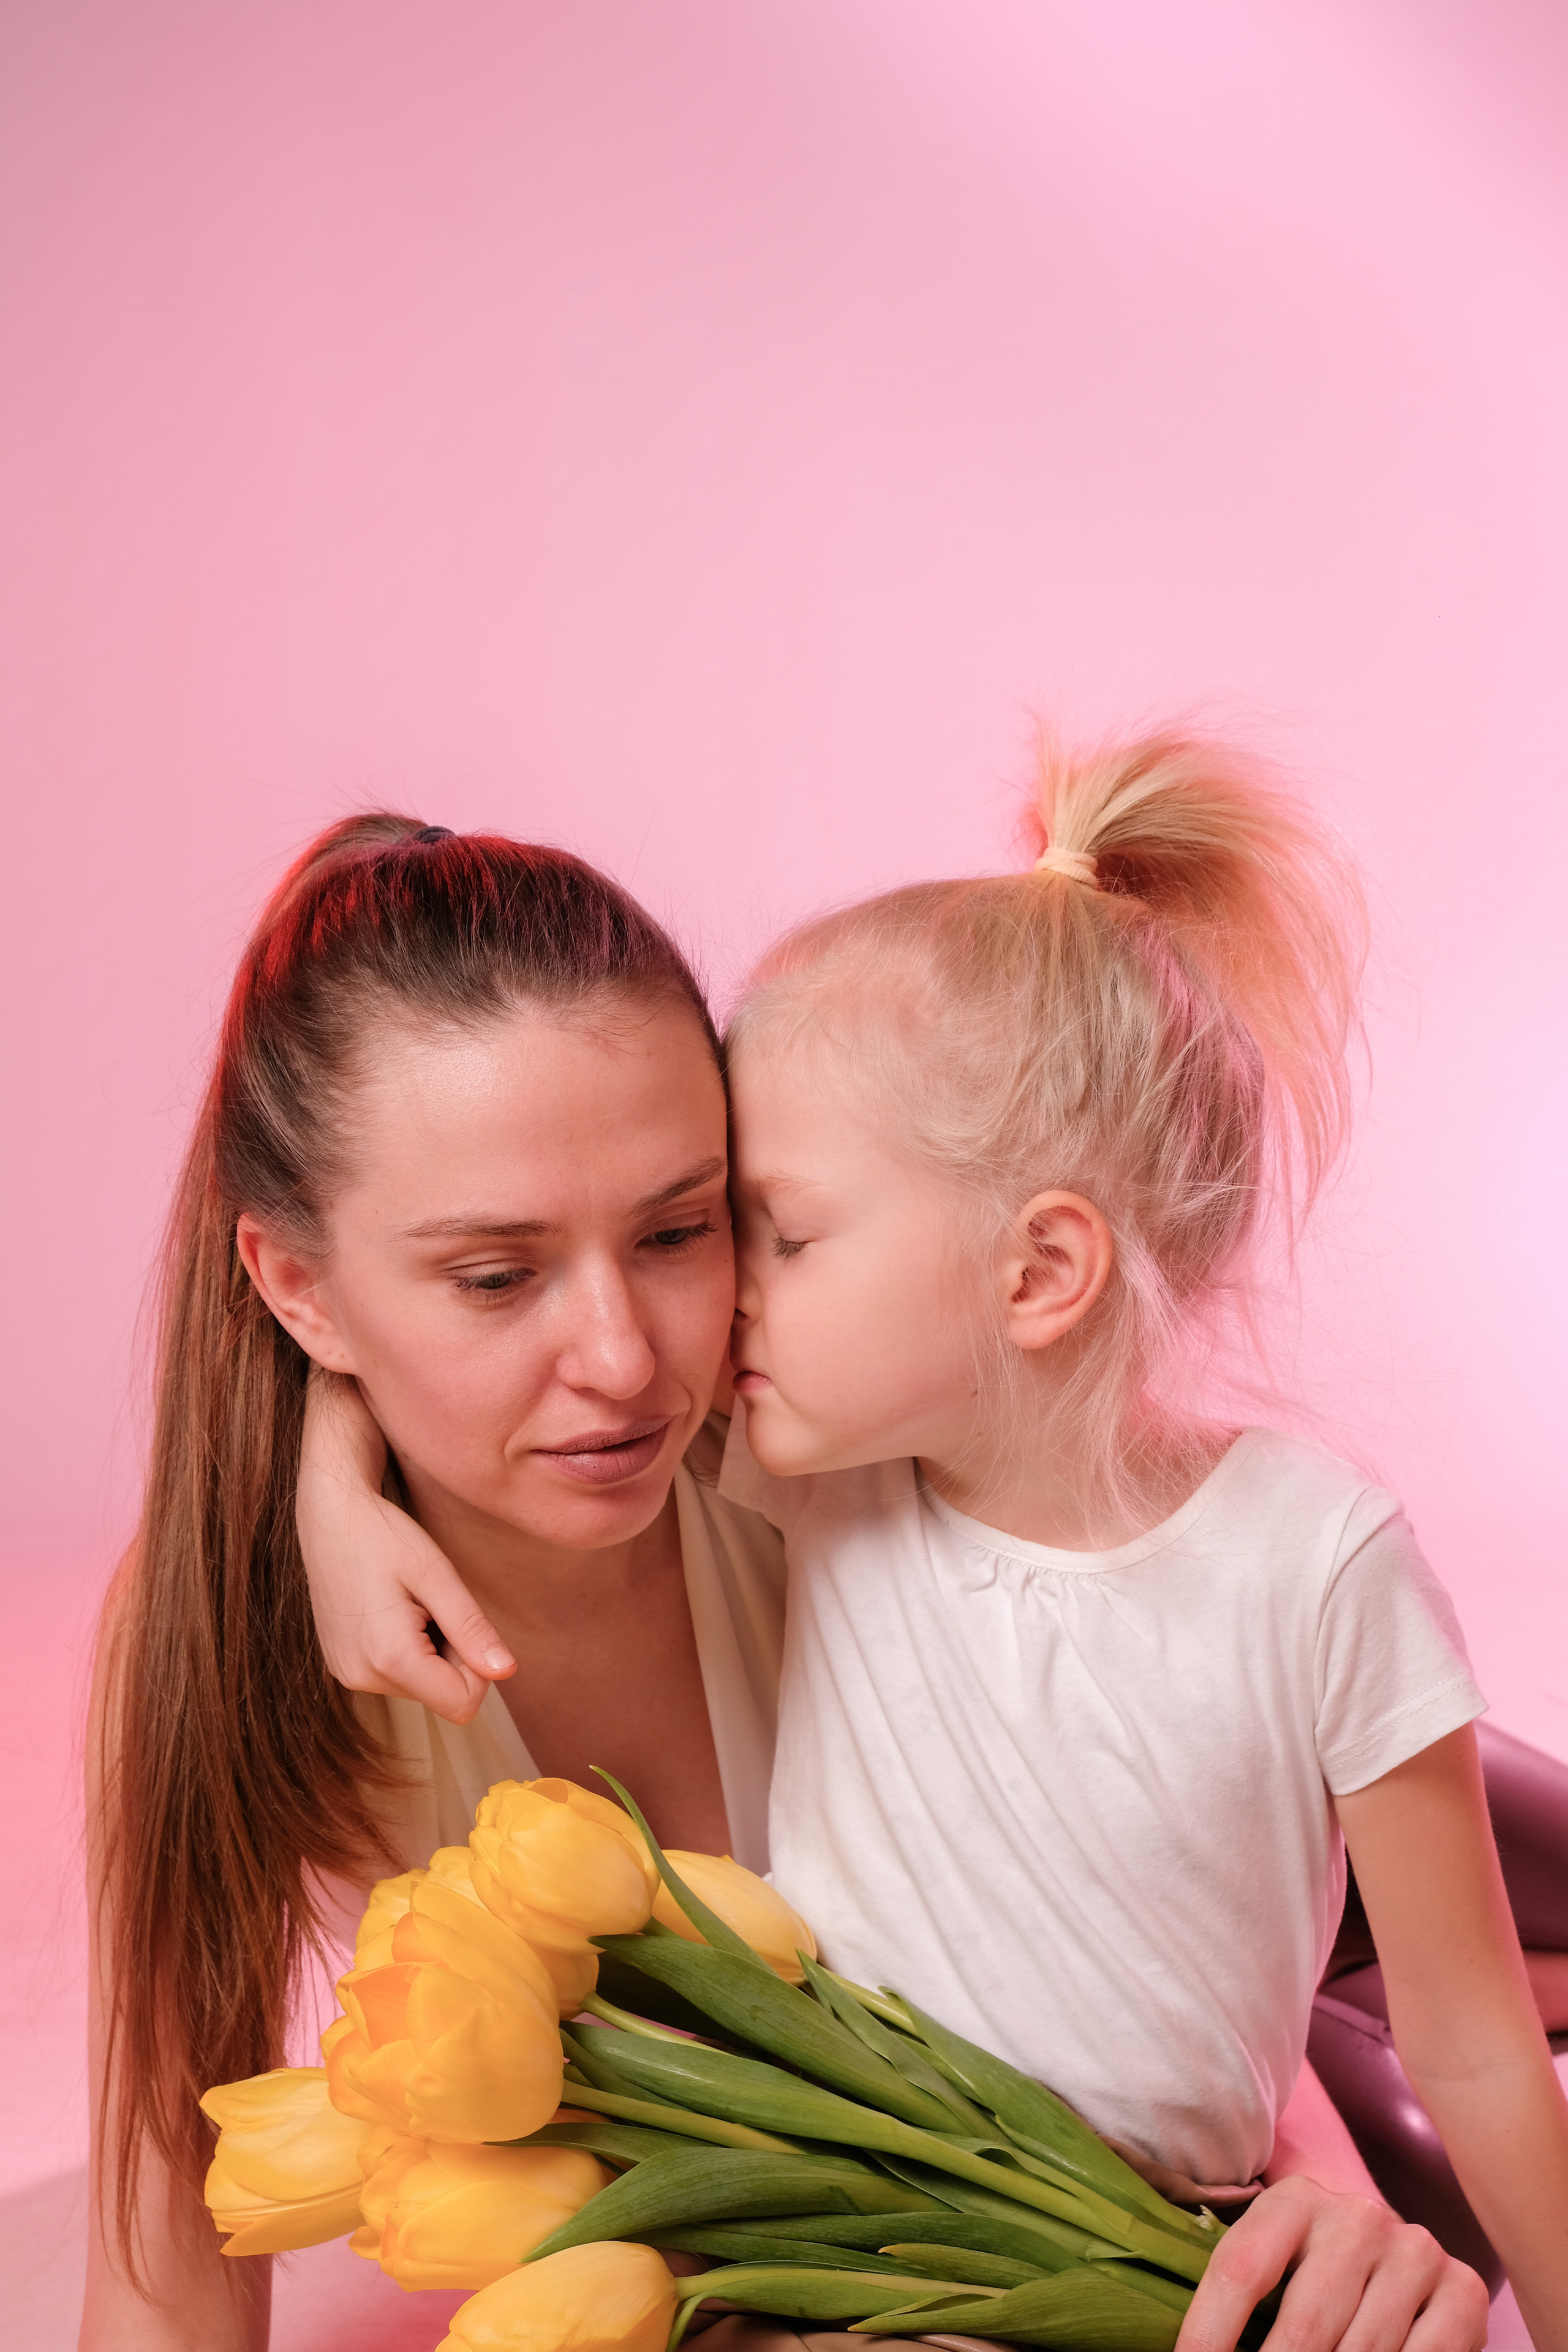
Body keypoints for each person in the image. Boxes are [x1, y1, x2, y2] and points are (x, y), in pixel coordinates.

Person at [293, 770, 1515, 2350]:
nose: (683, 1325)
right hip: (1105, 2095)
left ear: (1039, 1268)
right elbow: (427, 1358)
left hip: (1281, 1908)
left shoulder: (1287, 1552)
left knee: (1489, 1844)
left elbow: (1447, 2029)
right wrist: (328, 1476)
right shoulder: (802, 1473)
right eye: (721, 1231)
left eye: (754, 1237)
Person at [83, 816, 783, 2351]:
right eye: (493, 1277)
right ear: (297, 1290)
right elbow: (172, 2251)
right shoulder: (226, 1619)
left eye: (678, 1229)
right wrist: (319, 1472)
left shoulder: (827, 1466)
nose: (621, 1362)